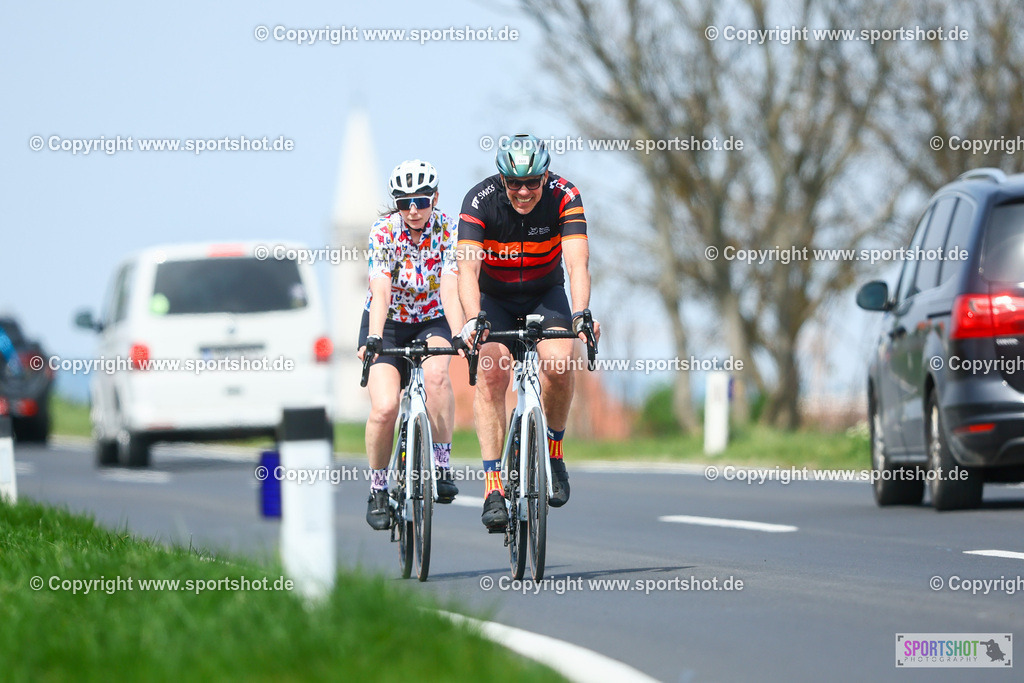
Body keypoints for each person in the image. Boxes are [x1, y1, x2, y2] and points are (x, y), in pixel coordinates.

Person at [456, 134, 600, 530]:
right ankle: (492, 487)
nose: (522, 192)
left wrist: (582, 312)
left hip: (544, 293)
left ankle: (554, 453)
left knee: (557, 363)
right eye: (513, 183)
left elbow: (577, 264)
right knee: (492, 370)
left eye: (532, 182)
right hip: (495, 298)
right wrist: (473, 318)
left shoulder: (565, 195)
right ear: (501, 179)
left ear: (545, 175)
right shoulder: (479, 200)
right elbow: (467, 270)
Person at [358, 159, 464, 530]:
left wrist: (462, 333)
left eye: (421, 200)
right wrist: (373, 336)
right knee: (385, 408)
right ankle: (378, 489)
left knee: (437, 378)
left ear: (435, 197)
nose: (413, 210)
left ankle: (441, 462)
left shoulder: (451, 230)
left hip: (433, 317)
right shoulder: (384, 231)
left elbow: (451, 290)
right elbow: (381, 288)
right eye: (404, 203)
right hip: (387, 322)